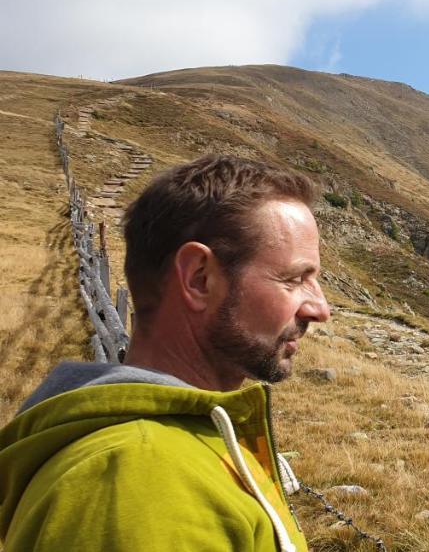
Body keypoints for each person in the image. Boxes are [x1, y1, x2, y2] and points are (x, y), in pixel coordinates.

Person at [0, 154, 330, 551]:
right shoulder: (141, 480)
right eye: (294, 279)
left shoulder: (176, 447)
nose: (320, 309)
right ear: (199, 278)